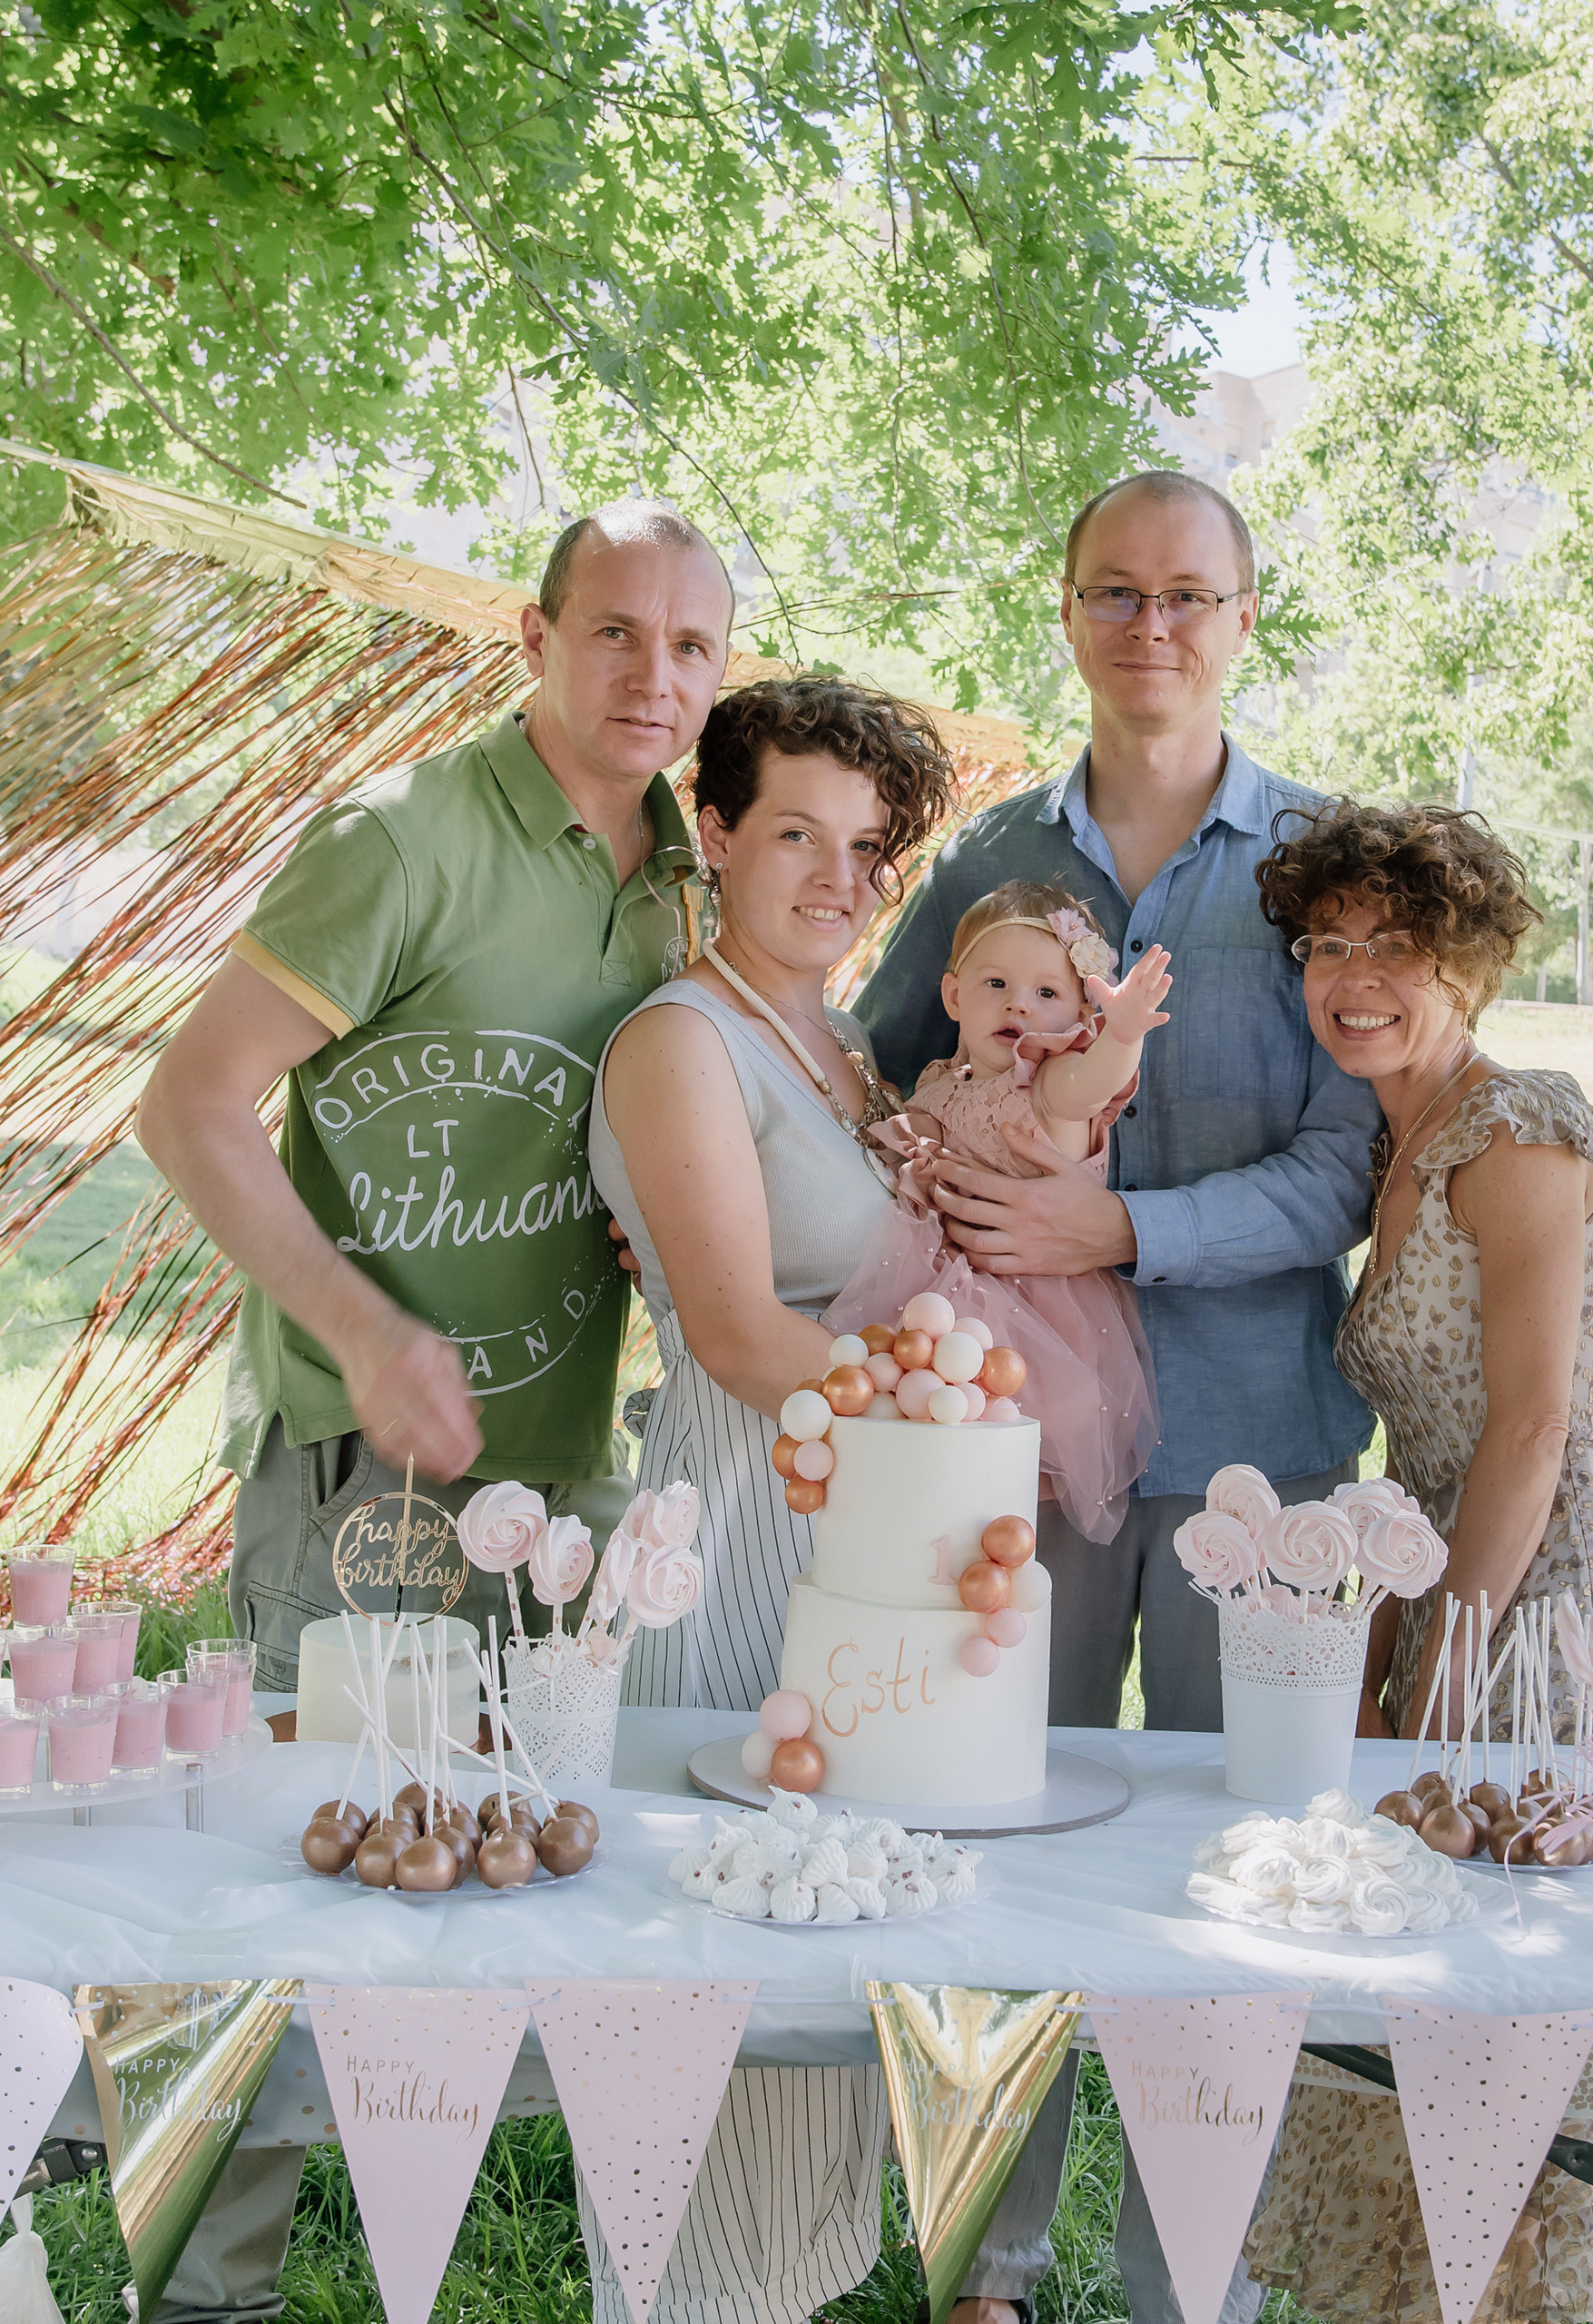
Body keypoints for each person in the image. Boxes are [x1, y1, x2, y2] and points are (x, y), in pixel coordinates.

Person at [133, 500, 733, 2324]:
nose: (655, 675)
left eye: (694, 646)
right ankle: (213, 2283)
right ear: (532, 634)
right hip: (358, 1476)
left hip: (561, 1478)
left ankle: (430, 2231)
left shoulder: (680, 873)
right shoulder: (401, 840)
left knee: (496, 1864)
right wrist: (357, 1318)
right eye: (615, 631)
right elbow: (192, 1104)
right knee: (302, 1871)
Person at [856, 469, 1379, 2324]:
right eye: (1111, 593)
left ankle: (1197, 2283)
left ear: (1244, 615)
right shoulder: (988, 856)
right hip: (1012, 1440)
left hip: (1261, 1442)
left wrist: (1119, 1226)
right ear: (1065, 610)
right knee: (992, 1824)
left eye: (1187, 595)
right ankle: (987, 2265)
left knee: (1236, 1875)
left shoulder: (1326, 864)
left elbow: (1347, 1163)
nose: (1147, 628)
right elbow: (871, 1085)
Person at [1240, 797, 1593, 2324]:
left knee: (1501, 2044)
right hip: (1442, 1584)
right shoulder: (1388, 1141)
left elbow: (1532, 1433)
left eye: (1396, 946)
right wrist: (1379, 1651)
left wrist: (1447, 1676)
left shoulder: (1522, 1128)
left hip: (1550, 1607)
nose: (1355, 975)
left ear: (1471, 965)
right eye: (1329, 946)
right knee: (1402, 2022)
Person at [590, 673, 956, 2324]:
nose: (835, 876)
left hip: (866, 1528)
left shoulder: (843, 1042)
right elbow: (738, 1333)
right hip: (744, 1533)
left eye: (868, 848)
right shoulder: (683, 1042)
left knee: (827, 1968)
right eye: (794, 831)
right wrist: (951, 1426)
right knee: (722, 1976)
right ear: (715, 833)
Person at [824, 880, 1166, 1539]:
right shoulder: (939, 1080)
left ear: (1077, 1013)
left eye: (1046, 993)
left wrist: (1122, 1033)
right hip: (936, 1293)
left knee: (989, 1448)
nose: (1020, 1004)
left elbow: (1094, 1080)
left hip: (1026, 1307)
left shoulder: (1051, 1084)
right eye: (996, 985)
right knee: (914, 1433)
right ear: (954, 995)